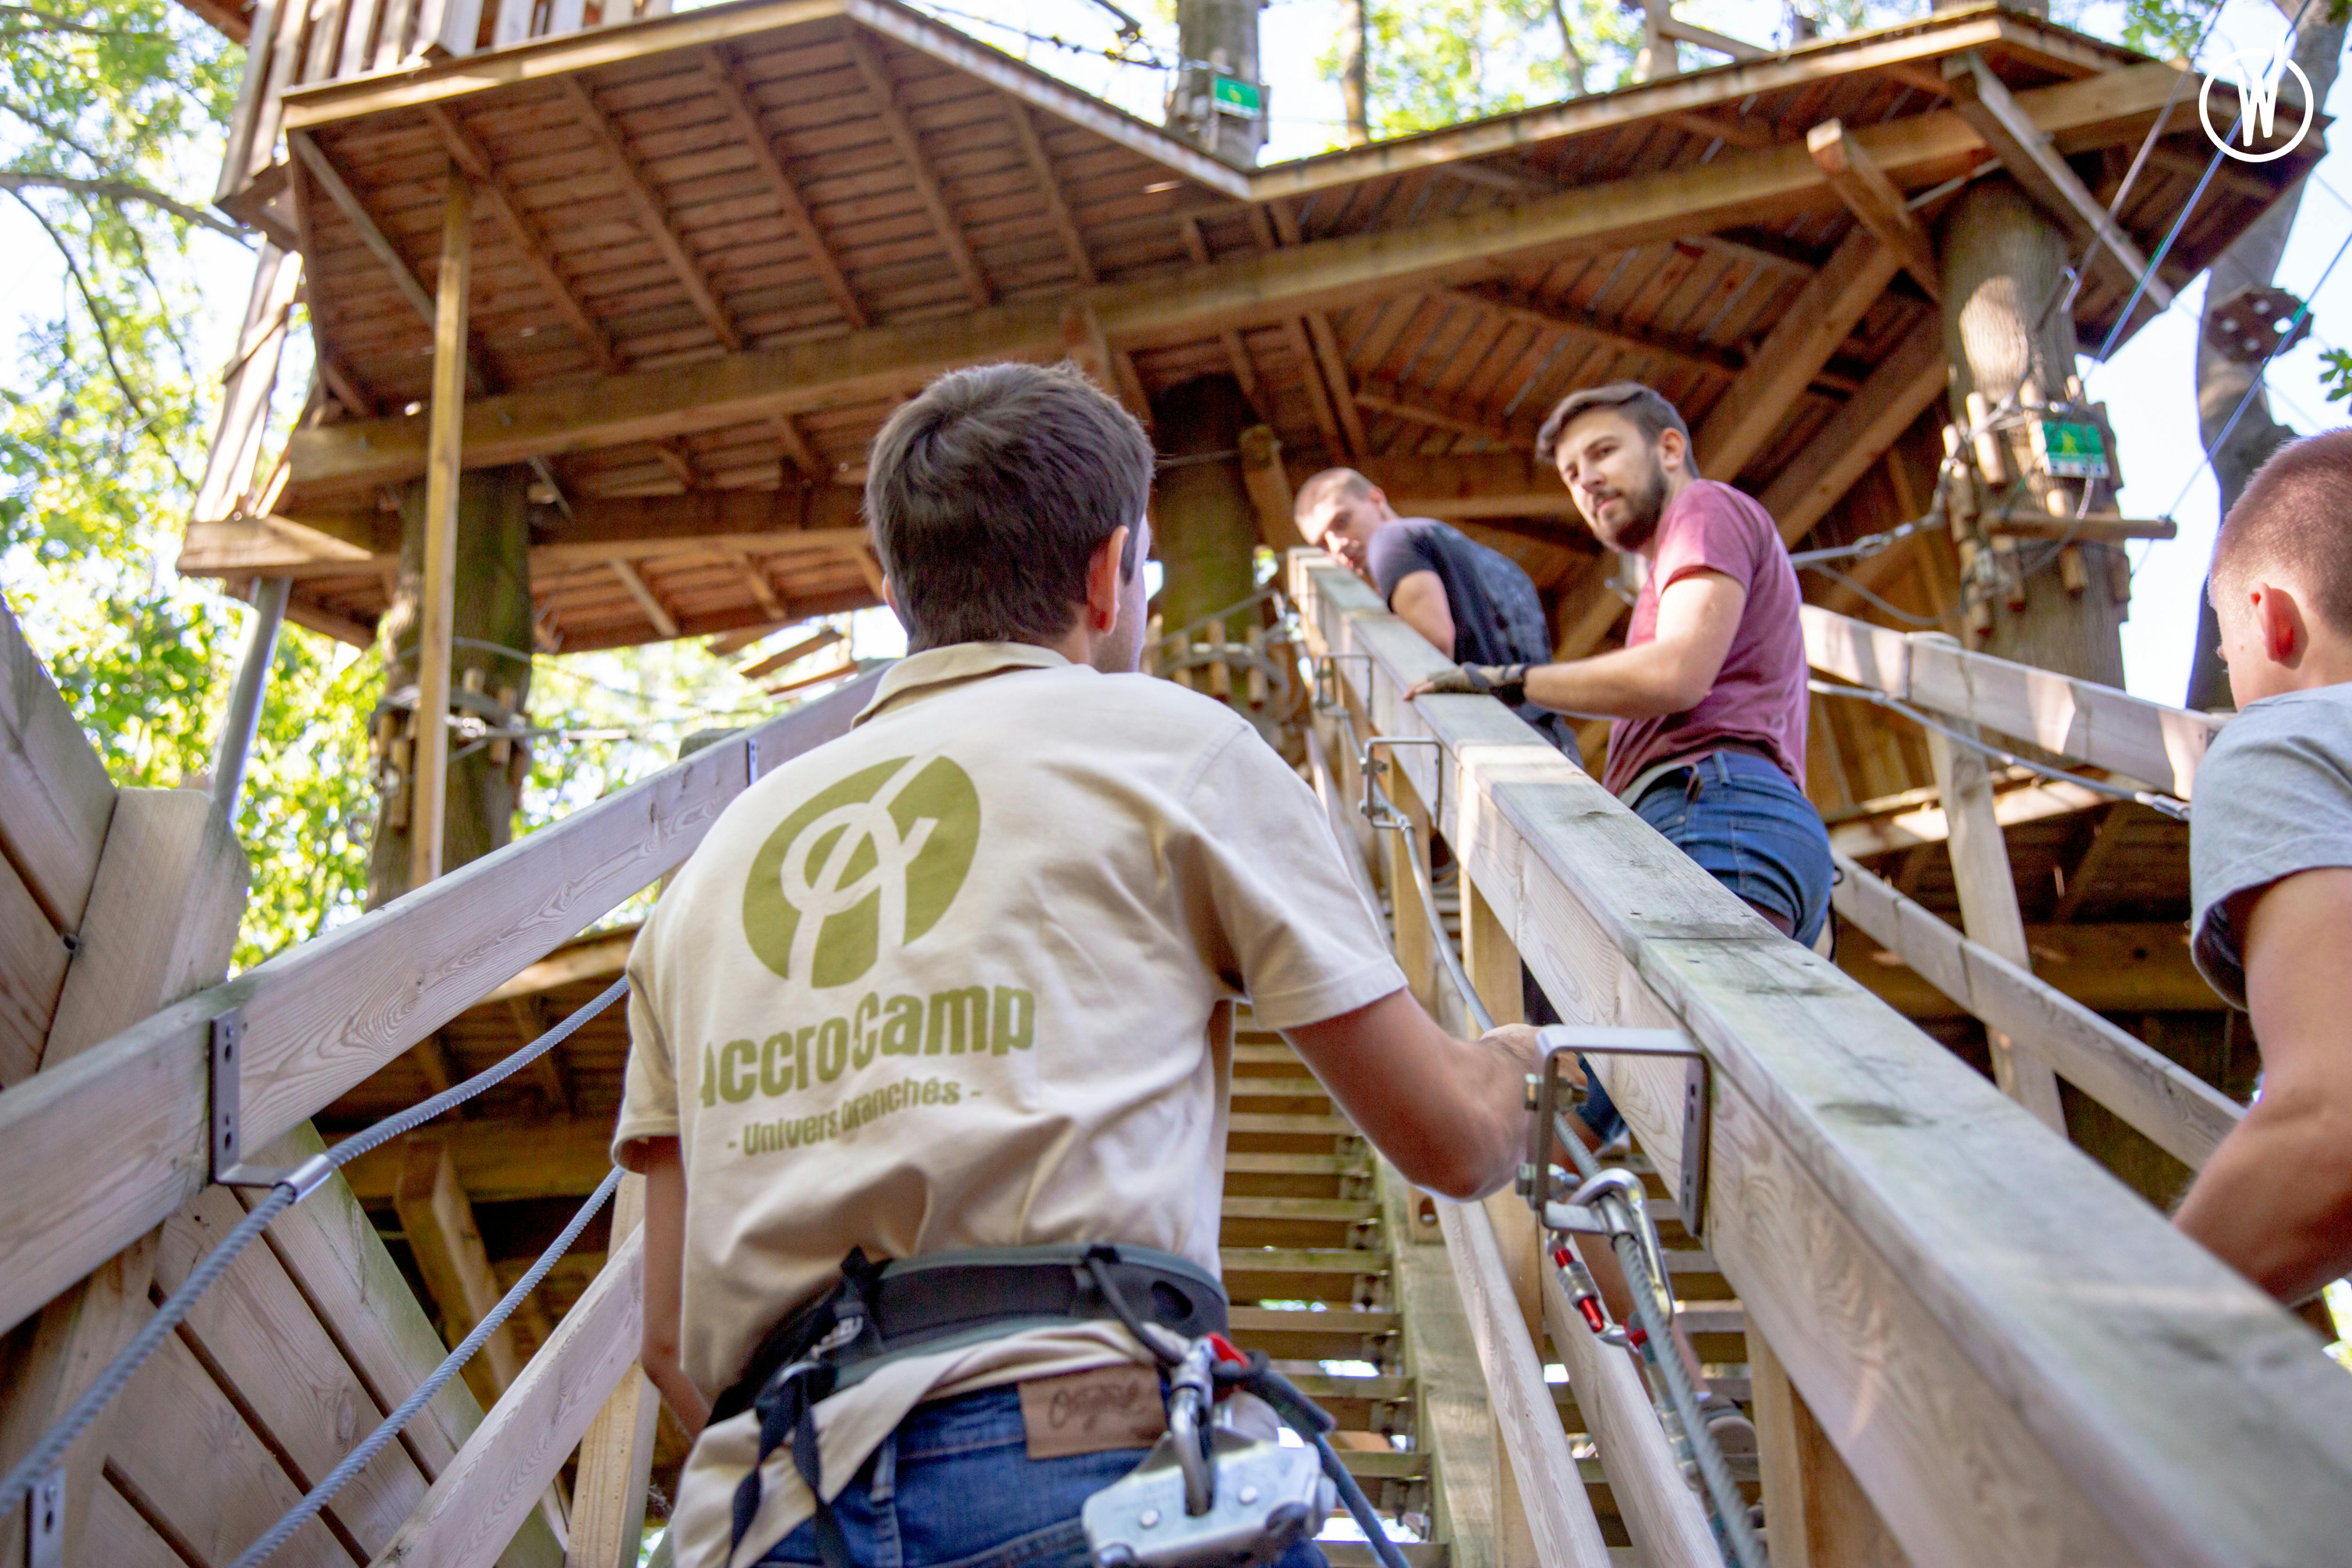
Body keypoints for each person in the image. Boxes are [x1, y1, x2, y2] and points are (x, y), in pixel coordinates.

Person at [616, 361, 1542, 1568]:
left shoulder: (705, 876)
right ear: (1110, 574)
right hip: (1087, 1458)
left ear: (894, 588)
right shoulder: (1176, 751)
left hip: (764, 1509)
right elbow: (1454, 1140)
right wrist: (1524, 1065)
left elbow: (668, 1336)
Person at [2170, 428, 2352, 1306]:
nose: (2225, 668)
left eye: (2225, 640)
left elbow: (2335, 1126)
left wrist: (2111, 1356)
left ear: (2270, 617)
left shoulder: (2285, 740)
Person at [1294, 469, 1583, 763]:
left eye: (1342, 522)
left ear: (1376, 499)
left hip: (1500, 745)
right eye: (1322, 545)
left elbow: (1432, 649)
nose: (1337, 545)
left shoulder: (1390, 540)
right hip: (1554, 742)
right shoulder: (1498, 564)